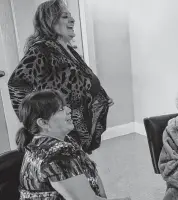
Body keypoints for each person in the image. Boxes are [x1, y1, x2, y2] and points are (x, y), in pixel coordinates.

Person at [15, 89, 148, 200]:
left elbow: (91, 181)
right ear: (43, 123)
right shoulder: (54, 152)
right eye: (60, 109)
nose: (69, 110)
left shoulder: (63, 141)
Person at [8, 0, 113, 154]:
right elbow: (17, 85)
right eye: (65, 16)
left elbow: (83, 78)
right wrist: (36, 124)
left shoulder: (66, 49)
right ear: (50, 22)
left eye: (70, 16)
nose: (72, 19)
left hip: (76, 127)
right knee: (70, 169)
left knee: (79, 165)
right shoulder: (42, 49)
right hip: (62, 129)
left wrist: (100, 95)